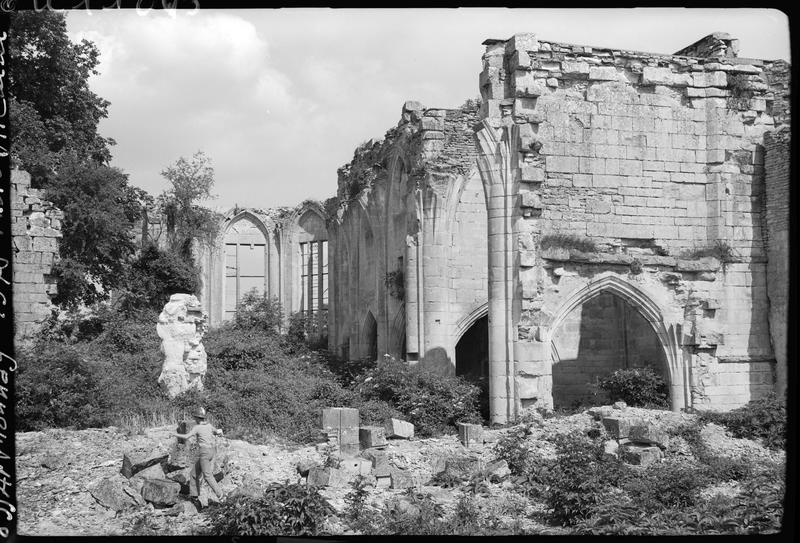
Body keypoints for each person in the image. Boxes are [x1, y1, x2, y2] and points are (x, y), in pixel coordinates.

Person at [173, 406, 225, 505]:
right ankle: (194, 496)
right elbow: (217, 432)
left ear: (196, 418)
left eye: (194, 418)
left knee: (208, 476)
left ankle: (221, 496)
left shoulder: (197, 427)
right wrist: (220, 433)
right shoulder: (209, 426)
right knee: (194, 474)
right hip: (211, 451)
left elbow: (187, 436)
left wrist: (174, 434)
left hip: (204, 453)